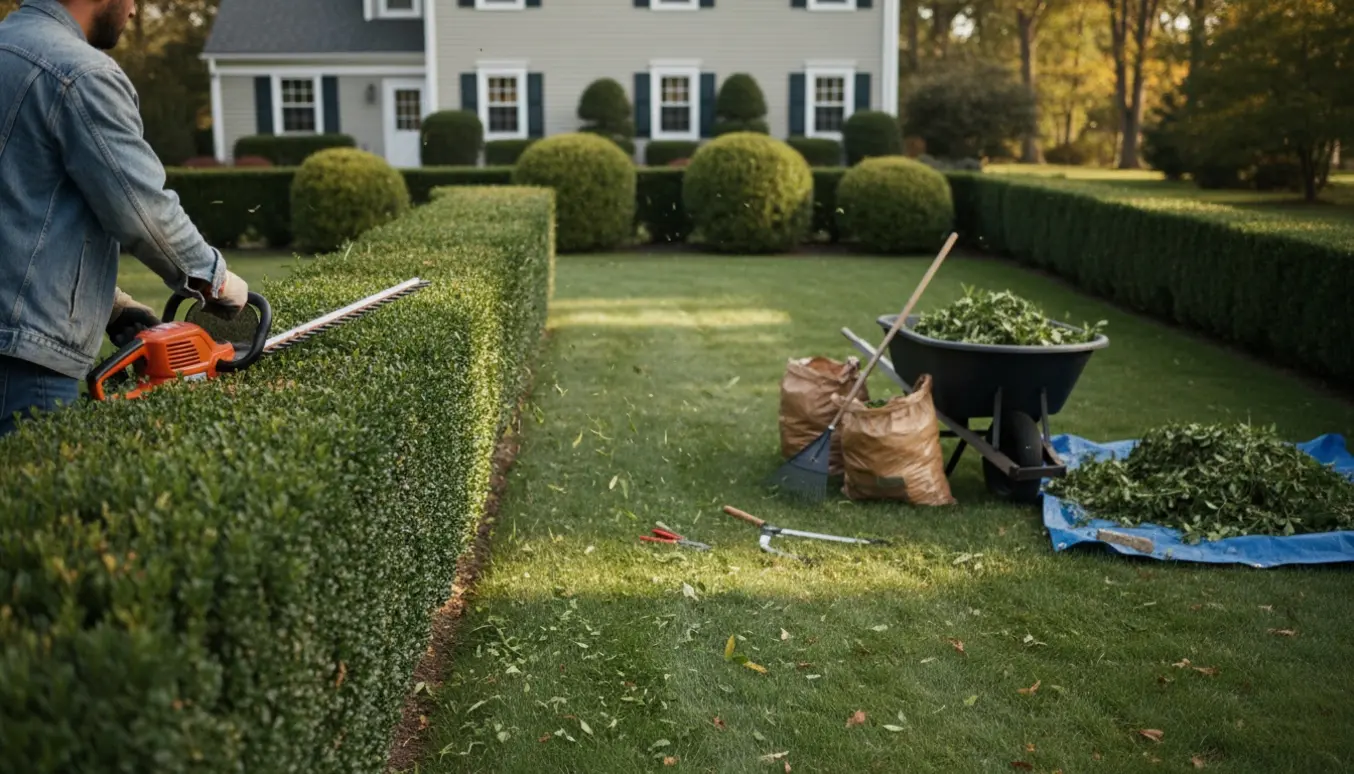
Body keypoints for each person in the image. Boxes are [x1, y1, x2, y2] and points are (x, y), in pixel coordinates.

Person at [0, 0, 247, 439]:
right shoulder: (79, 74)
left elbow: (17, 211)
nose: (133, 11)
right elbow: (142, 210)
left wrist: (112, 305)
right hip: (26, 361)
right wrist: (215, 279)